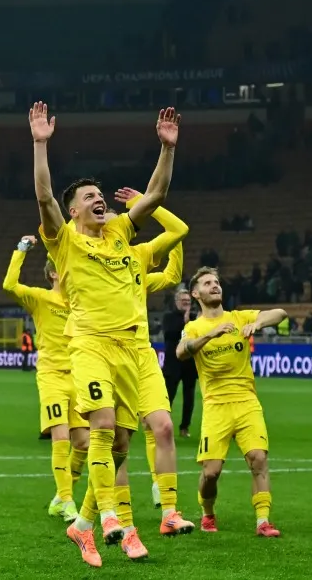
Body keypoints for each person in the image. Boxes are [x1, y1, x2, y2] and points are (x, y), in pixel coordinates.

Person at [31, 101, 179, 568]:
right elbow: (45, 198)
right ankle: (116, 520)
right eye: (89, 196)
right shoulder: (65, 240)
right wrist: (40, 144)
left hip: (133, 348)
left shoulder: (118, 232)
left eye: (101, 194)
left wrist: (166, 148)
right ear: (74, 210)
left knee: (134, 439)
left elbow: (155, 194)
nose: (99, 199)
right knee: (103, 427)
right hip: (90, 343)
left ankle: (84, 525)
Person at [100, 191, 193, 558]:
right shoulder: (86, 256)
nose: (115, 225)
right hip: (106, 352)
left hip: (142, 354)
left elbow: (176, 248)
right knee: (118, 440)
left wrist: (145, 203)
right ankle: (123, 523)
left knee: (164, 427)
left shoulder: (137, 257)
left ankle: (169, 512)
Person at [176, 267, 287, 538]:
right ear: (196, 294)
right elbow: (181, 352)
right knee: (211, 472)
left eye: (216, 282)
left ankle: (263, 521)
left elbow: (280, 313)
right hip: (216, 407)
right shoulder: (193, 328)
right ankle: (208, 513)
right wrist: (210, 335)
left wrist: (258, 324)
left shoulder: (238, 317)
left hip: (247, 402)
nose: (215, 285)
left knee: (258, 459)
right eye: (207, 283)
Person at [2, 235, 85, 522]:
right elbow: (9, 285)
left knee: (84, 443)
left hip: (79, 376)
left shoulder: (80, 303)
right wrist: (21, 250)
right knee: (60, 438)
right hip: (51, 376)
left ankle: (61, 495)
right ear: (53, 274)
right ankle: (67, 500)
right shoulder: (40, 298)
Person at [162, 289, 195, 436]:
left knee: (189, 397)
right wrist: (185, 323)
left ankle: (184, 427)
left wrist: (190, 320)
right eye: (183, 301)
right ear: (176, 302)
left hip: (189, 363)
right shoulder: (168, 317)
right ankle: (163, 424)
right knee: (168, 396)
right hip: (172, 363)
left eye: (188, 301)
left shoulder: (195, 318)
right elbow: (169, 334)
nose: (186, 303)